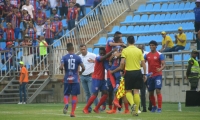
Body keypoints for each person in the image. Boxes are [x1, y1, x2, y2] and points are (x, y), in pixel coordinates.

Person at [83, 47, 117, 114]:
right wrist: (112, 51)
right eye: (101, 53)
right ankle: (86, 108)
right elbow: (104, 57)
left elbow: (108, 68)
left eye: (103, 53)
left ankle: (96, 108)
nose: (102, 54)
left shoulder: (104, 61)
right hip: (96, 79)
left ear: (104, 53)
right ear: (99, 53)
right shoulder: (98, 58)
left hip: (102, 79)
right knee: (95, 94)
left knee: (106, 93)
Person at [119, 36, 146, 116]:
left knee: (128, 91)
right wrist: (144, 74)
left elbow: (122, 62)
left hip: (129, 72)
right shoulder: (139, 51)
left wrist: (121, 70)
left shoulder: (125, 50)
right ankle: (136, 110)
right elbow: (143, 63)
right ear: (134, 41)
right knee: (137, 91)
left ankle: (132, 104)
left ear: (127, 41)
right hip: (138, 72)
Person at [59, 43, 85, 117]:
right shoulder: (78, 58)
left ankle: (66, 103)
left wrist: (61, 70)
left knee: (66, 94)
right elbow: (83, 67)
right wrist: (81, 72)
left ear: (67, 50)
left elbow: (61, 67)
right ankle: (72, 113)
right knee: (74, 95)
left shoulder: (64, 57)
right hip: (75, 79)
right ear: (73, 49)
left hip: (67, 79)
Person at [144, 40, 165, 113]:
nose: (151, 46)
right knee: (150, 92)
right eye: (150, 45)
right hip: (150, 76)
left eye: (153, 45)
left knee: (158, 90)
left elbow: (164, 64)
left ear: (156, 46)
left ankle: (159, 108)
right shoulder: (147, 55)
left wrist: (160, 69)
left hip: (158, 75)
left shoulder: (160, 54)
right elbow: (143, 62)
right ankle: (154, 106)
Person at [79, 44, 98, 112]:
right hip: (82, 76)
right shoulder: (79, 57)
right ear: (80, 50)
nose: (83, 51)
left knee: (93, 93)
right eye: (81, 50)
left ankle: (97, 107)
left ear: (86, 49)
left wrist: (93, 61)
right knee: (87, 94)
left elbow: (99, 62)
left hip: (90, 76)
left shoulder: (92, 55)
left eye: (84, 49)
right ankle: (88, 108)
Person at [138, 44, 149, 112]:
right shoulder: (136, 55)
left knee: (147, 92)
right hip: (139, 74)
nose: (139, 50)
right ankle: (139, 108)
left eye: (140, 48)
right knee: (138, 92)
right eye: (138, 48)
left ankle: (146, 107)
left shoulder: (146, 54)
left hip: (146, 74)